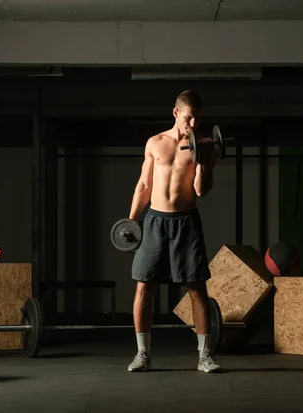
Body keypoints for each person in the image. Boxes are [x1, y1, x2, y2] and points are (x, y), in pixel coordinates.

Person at [126, 90, 221, 373]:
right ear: (176, 113)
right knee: (144, 286)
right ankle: (143, 354)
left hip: (186, 221)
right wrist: (131, 222)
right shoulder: (155, 143)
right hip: (155, 220)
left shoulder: (203, 146)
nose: (193, 123)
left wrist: (204, 161)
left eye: (198, 119)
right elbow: (144, 186)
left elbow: (201, 191)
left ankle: (204, 357)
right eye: (189, 117)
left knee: (196, 288)